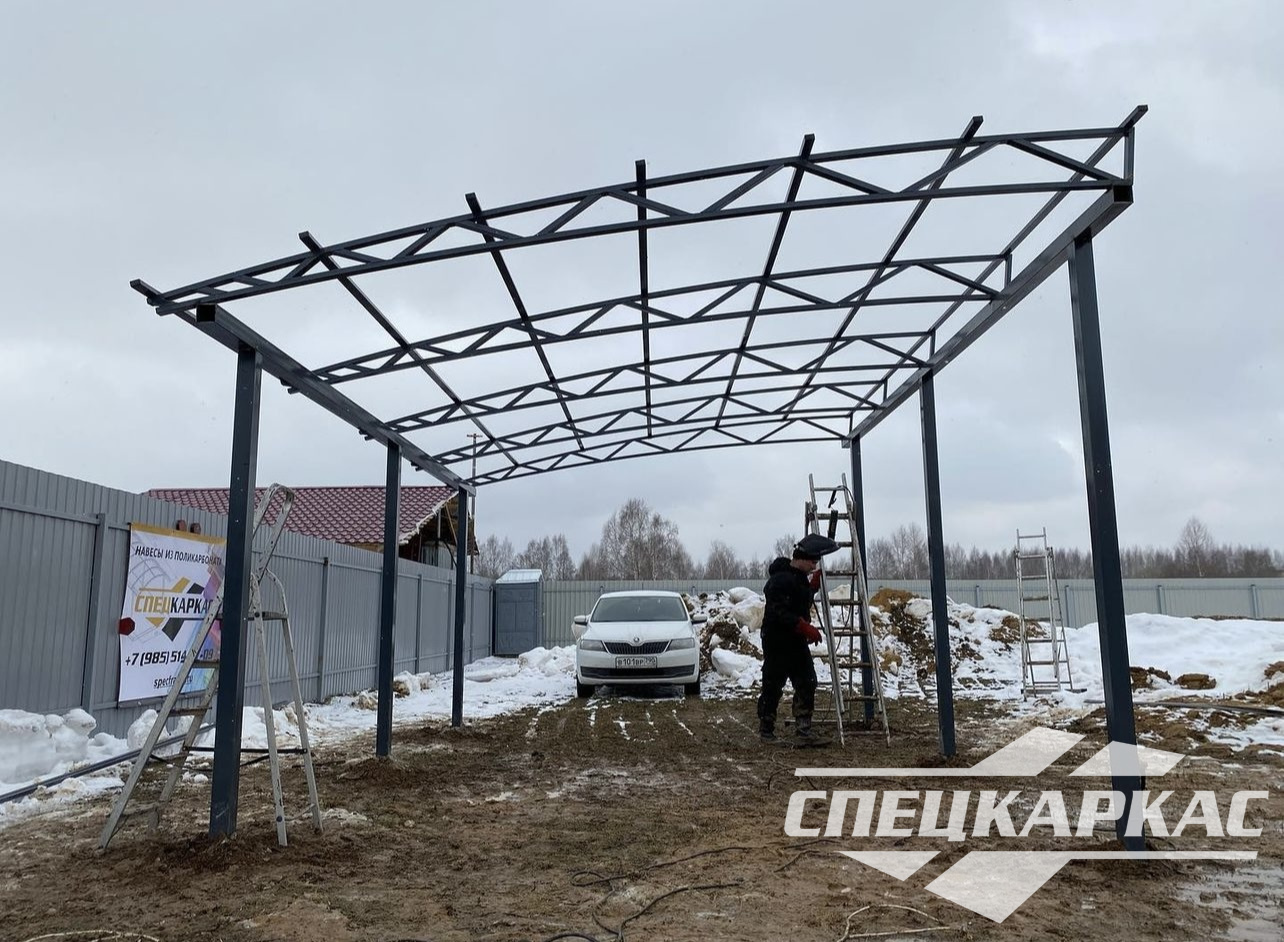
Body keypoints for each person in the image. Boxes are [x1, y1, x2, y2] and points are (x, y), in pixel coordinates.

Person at [757, 534, 836, 742]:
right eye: (812, 562)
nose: (814, 566)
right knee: (773, 684)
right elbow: (779, 611)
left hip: (795, 640)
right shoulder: (779, 580)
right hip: (777, 640)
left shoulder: (799, 579)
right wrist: (803, 626)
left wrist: (812, 589)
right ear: (801, 559)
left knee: (807, 680)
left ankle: (804, 728)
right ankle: (766, 728)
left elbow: (800, 603)